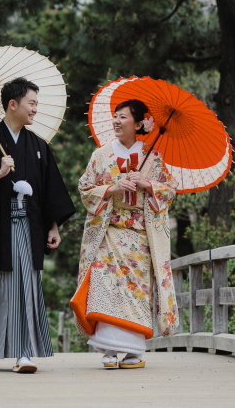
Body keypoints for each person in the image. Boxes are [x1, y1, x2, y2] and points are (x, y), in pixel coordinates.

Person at [0, 77, 75, 373]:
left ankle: (24, 352)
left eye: (36, 104)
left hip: (28, 226)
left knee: (25, 286)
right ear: (13, 104)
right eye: (31, 103)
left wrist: (53, 226)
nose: (35, 109)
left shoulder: (38, 146)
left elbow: (51, 190)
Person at [72, 99, 178, 369]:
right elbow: (85, 189)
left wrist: (148, 184)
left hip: (140, 237)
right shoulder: (101, 155)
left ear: (139, 123)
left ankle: (133, 352)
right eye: (115, 117)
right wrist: (111, 189)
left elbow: (170, 190)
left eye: (123, 117)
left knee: (137, 292)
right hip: (109, 232)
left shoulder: (153, 158)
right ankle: (107, 348)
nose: (117, 121)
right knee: (104, 284)